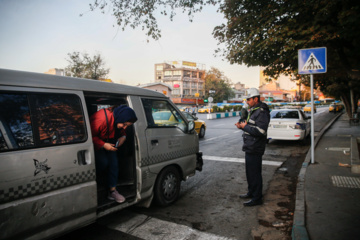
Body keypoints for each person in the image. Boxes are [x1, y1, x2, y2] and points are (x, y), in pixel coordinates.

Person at [90, 105, 137, 203]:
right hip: (96, 143)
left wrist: (123, 136)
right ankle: (97, 184)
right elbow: (89, 135)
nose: (125, 127)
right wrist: (103, 145)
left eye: (127, 126)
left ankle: (112, 191)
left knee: (114, 164)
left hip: (110, 142)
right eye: (124, 124)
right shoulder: (101, 119)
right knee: (103, 162)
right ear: (120, 118)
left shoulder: (119, 120)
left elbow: (122, 130)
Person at [235, 88, 270, 207]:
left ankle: (257, 198)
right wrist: (242, 126)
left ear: (256, 99)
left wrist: (245, 127)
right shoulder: (253, 110)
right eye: (247, 99)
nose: (247, 101)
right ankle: (251, 192)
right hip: (250, 146)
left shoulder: (262, 112)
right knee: (250, 173)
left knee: (255, 174)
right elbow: (251, 126)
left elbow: (261, 131)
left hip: (256, 147)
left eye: (249, 99)